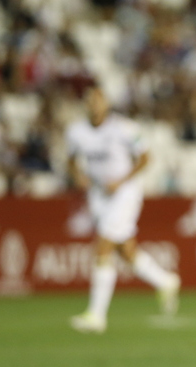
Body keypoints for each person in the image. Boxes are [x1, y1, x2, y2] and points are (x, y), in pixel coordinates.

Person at [66, 86, 180, 334]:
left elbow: (146, 157)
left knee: (103, 246)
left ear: (106, 104)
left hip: (125, 193)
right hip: (98, 194)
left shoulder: (124, 128)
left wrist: (122, 180)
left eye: (99, 100)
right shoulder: (76, 132)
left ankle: (96, 316)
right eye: (90, 101)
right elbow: (71, 159)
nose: (95, 105)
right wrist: (78, 176)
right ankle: (166, 281)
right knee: (126, 252)